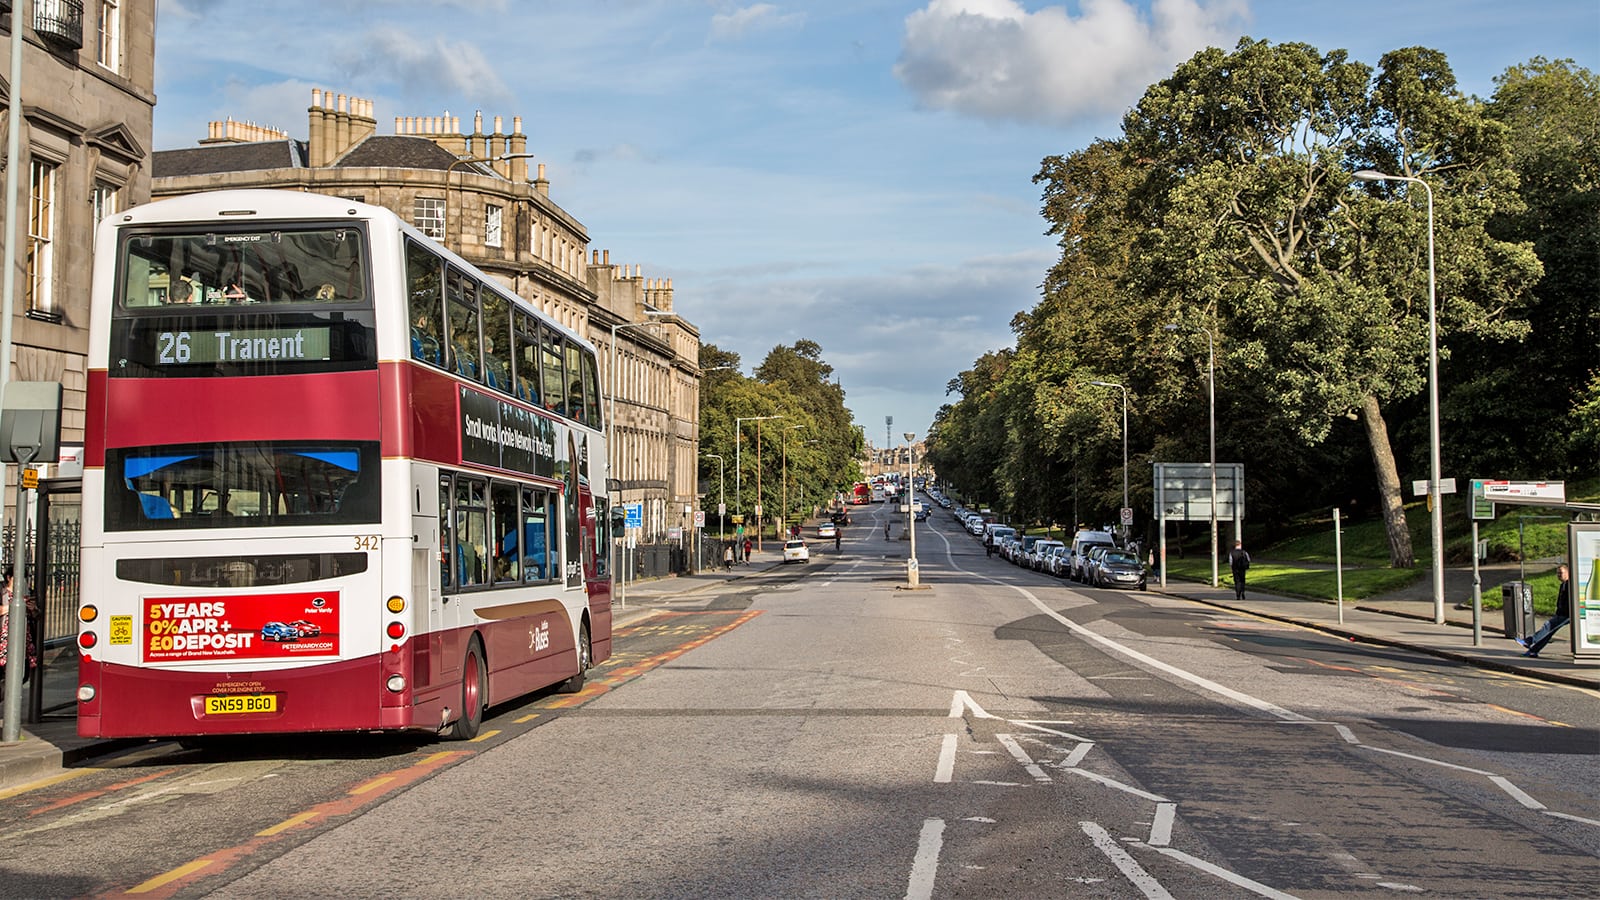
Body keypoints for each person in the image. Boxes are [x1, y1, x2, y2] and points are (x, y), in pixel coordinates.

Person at [1519, 564, 1571, 658]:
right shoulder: (1563, 584)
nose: (1559, 575)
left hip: (1568, 614)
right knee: (1548, 632)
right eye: (1557, 573)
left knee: (1548, 626)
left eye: (1561, 573)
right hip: (1562, 613)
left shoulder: (1570, 585)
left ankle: (1530, 641)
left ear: (1568, 573)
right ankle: (1533, 651)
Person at [0, 566, 38, 689]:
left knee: (23, 675)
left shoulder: (28, 593)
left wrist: (33, 609)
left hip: (23, 639)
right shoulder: (2, 592)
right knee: (5, 673)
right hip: (4, 640)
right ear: (9, 578)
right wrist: (17, 605)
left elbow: (37, 616)